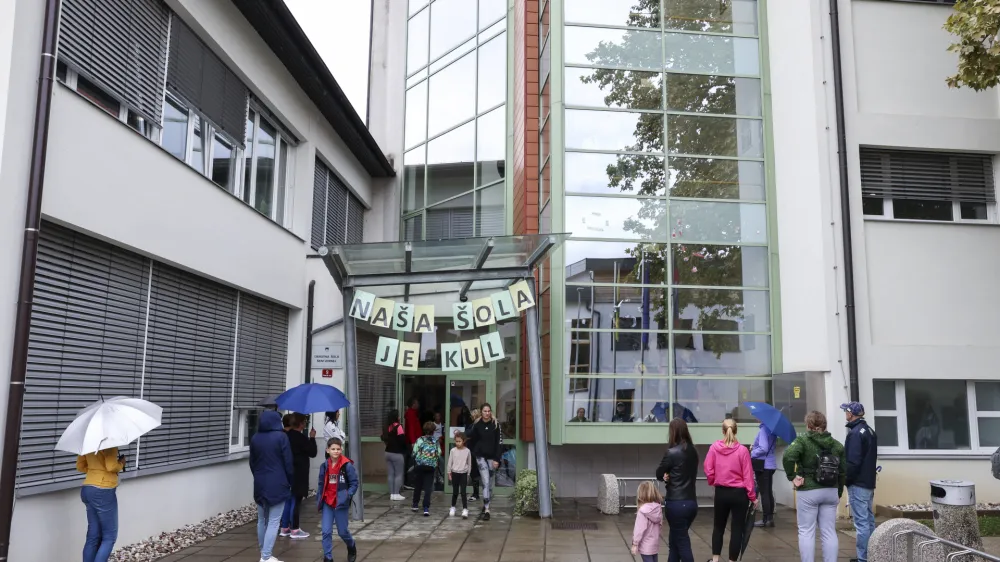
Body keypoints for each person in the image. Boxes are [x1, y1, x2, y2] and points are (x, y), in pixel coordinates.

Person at [782, 411, 845, 562]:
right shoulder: (837, 445)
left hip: (809, 490)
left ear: (808, 425)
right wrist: (839, 491)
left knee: (806, 531)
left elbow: (788, 456)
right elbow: (843, 472)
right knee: (829, 532)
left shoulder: (802, 441)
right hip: (831, 490)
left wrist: (792, 476)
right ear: (824, 425)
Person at [704, 418, 757, 562]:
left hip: (721, 492)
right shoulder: (743, 451)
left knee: (718, 527)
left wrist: (713, 481)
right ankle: (732, 560)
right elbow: (748, 476)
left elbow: (708, 469)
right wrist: (752, 497)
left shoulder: (714, 448)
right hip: (740, 494)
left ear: (722, 431)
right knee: (737, 529)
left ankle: (715, 559)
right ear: (736, 431)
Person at [249, 409, 294, 562]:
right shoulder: (281, 437)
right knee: (274, 521)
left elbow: (252, 463)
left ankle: (264, 553)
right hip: (278, 483)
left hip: (260, 483)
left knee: (262, 520)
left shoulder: (255, 438)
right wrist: (290, 481)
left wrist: (259, 476)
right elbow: (288, 462)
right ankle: (266, 557)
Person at [655, 418, 699, 562]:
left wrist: (666, 476)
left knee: (682, 543)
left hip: (676, 504)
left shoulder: (671, 453)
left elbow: (659, 473)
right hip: (691, 503)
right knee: (675, 542)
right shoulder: (694, 451)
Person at [841, 402, 877, 562]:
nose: (845, 414)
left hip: (858, 483)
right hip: (868, 482)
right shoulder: (869, 430)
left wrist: (846, 479)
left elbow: (853, 462)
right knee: (869, 521)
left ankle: (863, 558)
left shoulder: (855, 433)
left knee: (862, 523)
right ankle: (871, 555)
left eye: (845, 411)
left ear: (850, 414)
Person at [77, 446, 125, 562]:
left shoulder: (88, 442)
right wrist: (121, 463)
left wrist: (95, 471)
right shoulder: (109, 442)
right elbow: (111, 466)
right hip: (103, 490)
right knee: (109, 537)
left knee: (93, 536)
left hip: (87, 488)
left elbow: (80, 466)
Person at [317, 438, 358, 562]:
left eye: (338, 449)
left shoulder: (347, 466)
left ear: (341, 449)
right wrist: (319, 497)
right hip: (327, 503)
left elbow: (354, 483)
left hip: (340, 503)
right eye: (333, 449)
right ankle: (328, 557)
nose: (336, 451)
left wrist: (347, 494)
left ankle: (351, 545)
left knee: (343, 531)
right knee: (326, 532)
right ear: (327, 450)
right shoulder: (324, 466)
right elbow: (320, 483)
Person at [283, 413, 317, 539]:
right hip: (299, 472)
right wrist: (312, 438)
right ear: (301, 424)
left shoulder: (286, 436)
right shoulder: (301, 438)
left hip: (287, 471)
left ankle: (285, 527)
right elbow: (312, 452)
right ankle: (295, 529)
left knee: (288, 499)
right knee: (296, 500)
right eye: (304, 422)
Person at [466, 402, 503, 521]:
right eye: (484, 411)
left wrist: (497, 459)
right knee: (485, 481)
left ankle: (486, 503)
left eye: (488, 411)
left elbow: (499, 443)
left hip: (492, 457)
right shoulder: (477, 425)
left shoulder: (496, 425)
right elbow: (470, 437)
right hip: (480, 457)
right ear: (481, 412)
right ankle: (487, 509)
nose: (487, 413)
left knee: (490, 484)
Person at [750, 421, 778, 528]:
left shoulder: (763, 430)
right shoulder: (773, 431)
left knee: (764, 493)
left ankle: (766, 519)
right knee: (768, 492)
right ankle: (769, 519)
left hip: (763, 465)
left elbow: (763, 448)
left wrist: (752, 452)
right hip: (770, 465)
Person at [411, 421, 440, 516]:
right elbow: (439, 453)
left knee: (418, 486)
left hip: (419, 466)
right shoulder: (435, 441)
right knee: (428, 488)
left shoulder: (420, 440)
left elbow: (414, 452)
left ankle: (415, 504)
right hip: (430, 467)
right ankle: (426, 508)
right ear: (433, 431)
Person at [631, 481, 664, 562]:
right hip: (654, 544)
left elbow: (639, 529)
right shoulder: (658, 508)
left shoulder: (642, 511)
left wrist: (635, 544)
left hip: (645, 545)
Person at [382, 409, 407, 501]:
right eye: (398, 416)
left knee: (391, 474)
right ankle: (396, 494)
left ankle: (392, 494)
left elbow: (383, 438)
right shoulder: (398, 427)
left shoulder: (386, 427)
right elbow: (402, 440)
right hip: (397, 454)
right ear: (396, 417)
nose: (400, 417)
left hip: (387, 452)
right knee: (399, 474)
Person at [447, 431, 472, 519]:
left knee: (463, 492)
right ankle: (453, 507)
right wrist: (449, 472)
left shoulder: (467, 451)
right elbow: (450, 462)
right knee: (455, 492)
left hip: (463, 473)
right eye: (456, 441)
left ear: (463, 441)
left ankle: (465, 509)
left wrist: (468, 473)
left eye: (459, 441)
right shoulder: (453, 451)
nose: (457, 443)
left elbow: (469, 463)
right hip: (455, 473)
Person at [465, 408, 482, 502]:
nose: (471, 416)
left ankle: (476, 494)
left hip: (475, 451)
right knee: (473, 472)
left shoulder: (476, 425)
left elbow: (469, 433)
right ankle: (476, 493)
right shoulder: (474, 425)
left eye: (472, 415)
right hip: (473, 450)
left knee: (474, 472)